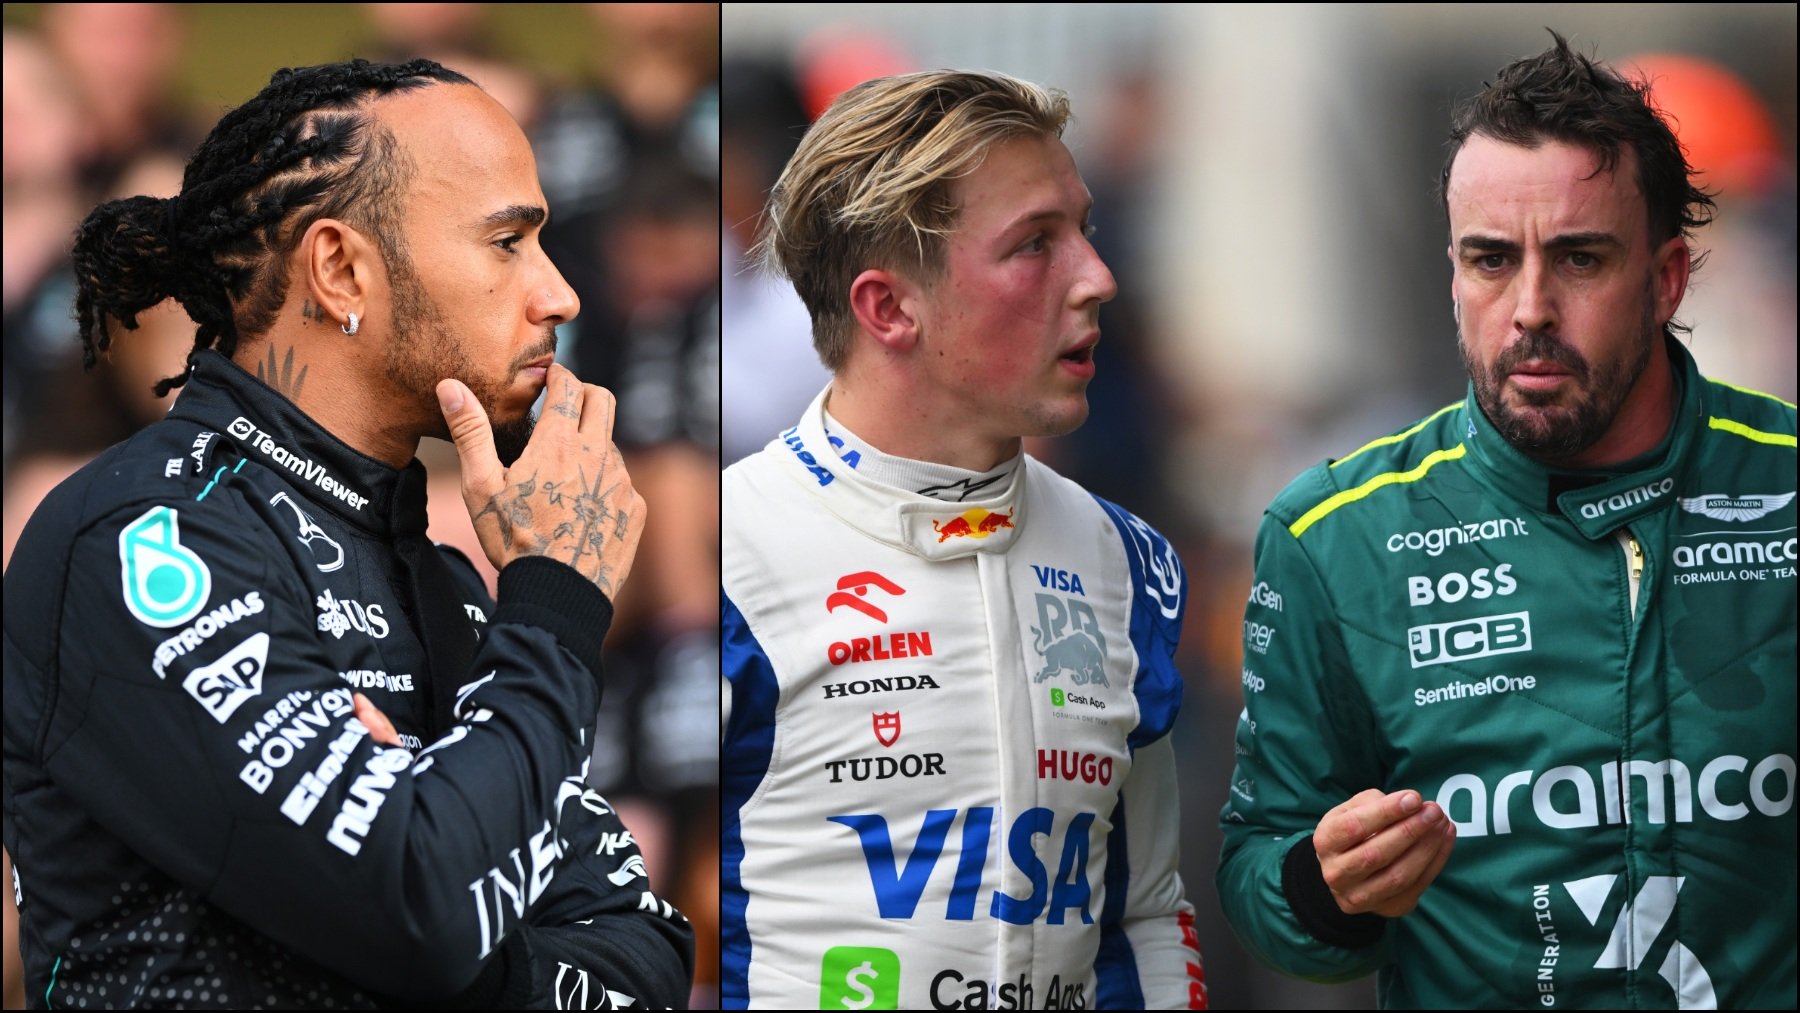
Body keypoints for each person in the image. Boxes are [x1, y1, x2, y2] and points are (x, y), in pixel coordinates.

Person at [2, 59, 693, 1008]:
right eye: (507, 242)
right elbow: (420, 900)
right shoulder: (145, 537)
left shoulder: (445, 583)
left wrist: (440, 906)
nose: (560, 294)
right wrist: (555, 604)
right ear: (339, 269)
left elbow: (645, 948)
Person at [1216, 32, 1795, 1009]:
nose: (1530, 307)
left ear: (1667, 280)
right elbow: (1257, 878)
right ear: (1452, 271)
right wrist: (1328, 888)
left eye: (1579, 258)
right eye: (1490, 260)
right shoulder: (1335, 536)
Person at [722, 69, 1208, 1010]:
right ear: (888, 308)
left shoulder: (1128, 562)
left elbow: (1146, 910)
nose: (1097, 278)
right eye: (1034, 244)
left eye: (1084, 230)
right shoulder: (729, 551)